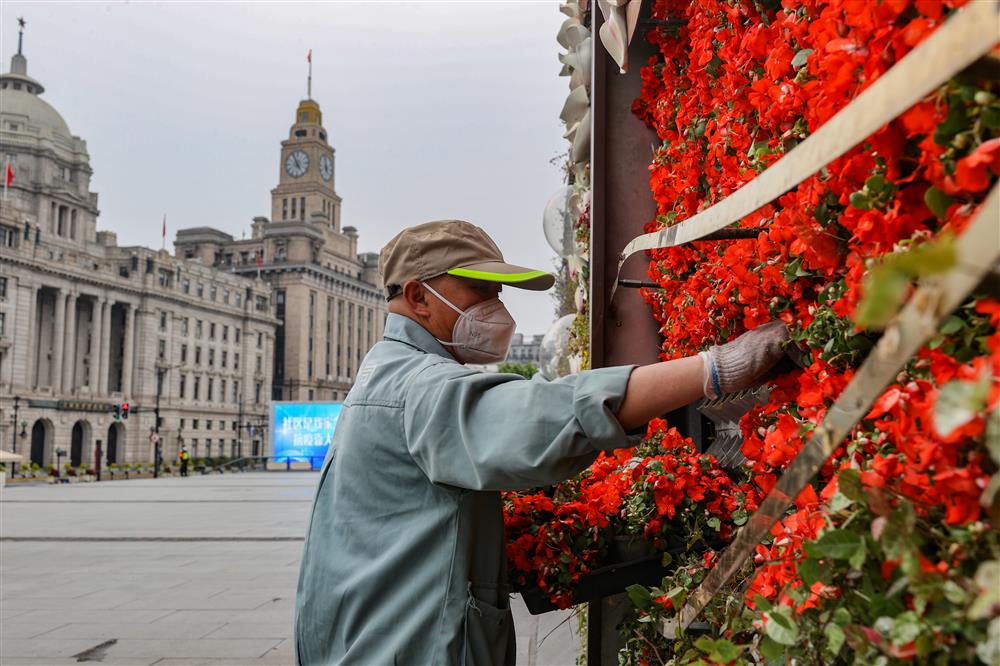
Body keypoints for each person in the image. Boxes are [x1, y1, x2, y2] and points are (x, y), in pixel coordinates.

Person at [294, 220, 790, 665]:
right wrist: (713, 369)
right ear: (419, 298)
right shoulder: (418, 386)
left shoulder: (386, 372)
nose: (496, 309)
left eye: (498, 293)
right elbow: (544, 415)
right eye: (477, 290)